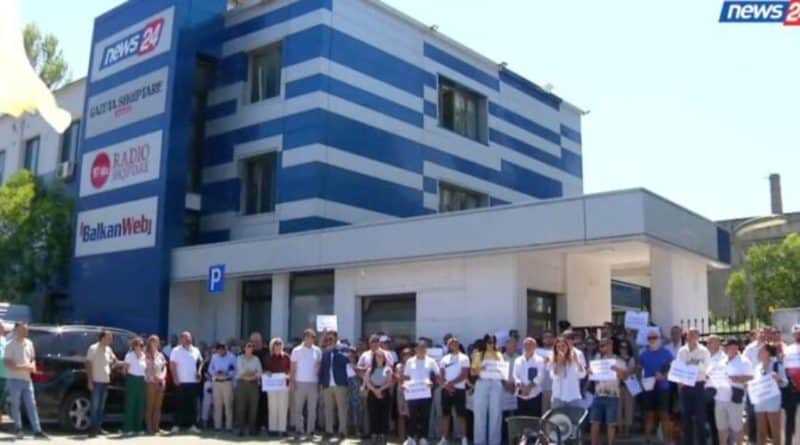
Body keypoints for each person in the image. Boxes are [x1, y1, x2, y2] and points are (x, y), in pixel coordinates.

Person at [5, 322, 46, 439]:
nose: (26, 331)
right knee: (16, 405)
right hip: (14, 379)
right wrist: (25, 367)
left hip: (27, 379)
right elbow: (8, 363)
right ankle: (18, 428)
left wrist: (33, 366)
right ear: (17, 330)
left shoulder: (29, 343)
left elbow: (32, 359)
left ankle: (37, 430)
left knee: (31, 404)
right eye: (23, 329)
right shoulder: (10, 345)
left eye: (26, 329)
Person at [588, 338, 627, 445]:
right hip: (598, 394)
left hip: (612, 395)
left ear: (611, 345)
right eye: (601, 345)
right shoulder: (597, 360)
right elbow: (591, 375)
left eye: (604, 345)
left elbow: (624, 378)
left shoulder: (619, 360)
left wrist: (618, 370)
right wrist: (589, 371)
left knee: (611, 424)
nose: (602, 347)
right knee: (594, 422)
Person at [676, 327, 711, 445]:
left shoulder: (704, 351)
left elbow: (706, 368)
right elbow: (679, 368)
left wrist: (690, 364)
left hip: (699, 386)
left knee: (700, 419)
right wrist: (695, 364)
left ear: (698, 337)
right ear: (687, 336)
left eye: (695, 334)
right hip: (685, 387)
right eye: (690, 334)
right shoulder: (682, 351)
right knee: (686, 419)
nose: (692, 337)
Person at [402, 340, 440, 445]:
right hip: (413, 393)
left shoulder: (431, 361)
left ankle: (423, 438)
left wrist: (433, 383)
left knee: (425, 416)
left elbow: (438, 375)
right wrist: (405, 384)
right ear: (415, 349)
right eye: (420, 348)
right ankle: (411, 438)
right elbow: (406, 376)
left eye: (424, 348)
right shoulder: (410, 361)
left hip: (426, 393)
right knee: (412, 416)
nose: (422, 350)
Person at [638, 329, 673, 445]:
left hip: (663, 387)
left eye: (654, 338)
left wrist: (664, 376)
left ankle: (668, 441)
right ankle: (647, 440)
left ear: (659, 339)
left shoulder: (666, 353)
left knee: (664, 414)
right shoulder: (643, 354)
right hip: (648, 387)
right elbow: (638, 368)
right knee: (649, 415)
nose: (652, 340)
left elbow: (673, 368)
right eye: (650, 338)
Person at [715, 339, 751, 445]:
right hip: (720, 398)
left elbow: (751, 377)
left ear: (736, 348)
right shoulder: (721, 361)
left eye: (729, 347)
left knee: (737, 427)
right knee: (721, 427)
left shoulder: (744, 361)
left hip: (734, 398)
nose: (726, 349)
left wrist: (738, 379)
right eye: (726, 347)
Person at [471, 334, 506, 445]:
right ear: (484, 342)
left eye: (493, 342)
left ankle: (494, 442)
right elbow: (472, 372)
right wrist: (481, 368)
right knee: (479, 413)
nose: (491, 344)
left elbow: (503, 370)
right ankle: (479, 442)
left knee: (496, 413)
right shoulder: (478, 354)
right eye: (489, 342)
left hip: (496, 383)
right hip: (482, 382)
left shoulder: (499, 354)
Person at [86, 329, 119, 437]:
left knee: (101, 407)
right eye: (109, 338)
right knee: (95, 406)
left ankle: (98, 427)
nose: (111, 340)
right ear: (103, 338)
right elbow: (88, 364)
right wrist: (89, 380)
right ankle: (92, 429)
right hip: (96, 381)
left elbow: (115, 360)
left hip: (105, 381)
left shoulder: (109, 349)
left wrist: (116, 365)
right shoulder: (93, 348)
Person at [290, 329, 322, 439]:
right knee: (298, 408)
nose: (311, 339)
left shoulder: (317, 350)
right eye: (309, 337)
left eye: (313, 337)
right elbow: (293, 368)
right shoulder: (296, 350)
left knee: (312, 408)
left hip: (313, 383)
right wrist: (293, 381)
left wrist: (319, 369)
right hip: (299, 382)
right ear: (304, 338)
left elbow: (319, 365)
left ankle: (310, 431)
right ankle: (299, 430)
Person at [752, 344, 786, 445]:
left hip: (773, 402)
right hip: (759, 402)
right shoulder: (757, 367)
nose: (758, 353)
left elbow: (785, 382)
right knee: (761, 431)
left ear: (768, 353)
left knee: (775, 431)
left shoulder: (777, 365)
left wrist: (778, 379)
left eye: (761, 351)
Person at [169, 331, 202, 434]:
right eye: (185, 338)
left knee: (192, 405)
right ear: (181, 339)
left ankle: (192, 425)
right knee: (179, 404)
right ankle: (176, 425)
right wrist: (175, 378)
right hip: (180, 381)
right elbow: (172, 365)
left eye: (189, 338)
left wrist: (199, 371)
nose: (188, 339)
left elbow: (201, 362)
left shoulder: (196, 350)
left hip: (193, 382)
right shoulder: (176, 350)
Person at [439, 337, 470, 445]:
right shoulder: (444, 359)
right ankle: (444, 439)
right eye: (451, 343)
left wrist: (451, 384)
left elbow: (464, 374)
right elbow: (441, 374)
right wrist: (446, 385)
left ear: (458, 344)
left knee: (461, 415)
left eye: (455, 343)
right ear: (448, 346)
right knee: (445, 415)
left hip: (460, 390)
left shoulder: (464, 358)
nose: (453, 345)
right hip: (446, 390)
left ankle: (464, 439)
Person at [320, 330, 350, 441]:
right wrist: (322, 383)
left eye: (331, 339)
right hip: (327, 384)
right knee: (328, 408)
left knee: (341, 408)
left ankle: (342, 431)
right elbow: (323, 368)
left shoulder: (343, 348)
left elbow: (346, 359)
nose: (329, 341)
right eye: (327, 339)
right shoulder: (325, 351)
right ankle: (329, 430)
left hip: (340, 383)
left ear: (336, 338)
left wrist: (335, 350)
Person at [366, 349, 394, 445]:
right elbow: (367, 382)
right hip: (372, 393)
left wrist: (380, 390)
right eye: (378, 356)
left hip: (384, 392)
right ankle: (374, 435)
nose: (380, 358)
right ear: (374, 358)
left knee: (384, 416)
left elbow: (389, 382)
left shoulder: (388, 369)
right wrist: (375, 390)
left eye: (381, 356)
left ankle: (383, 435)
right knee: (373, 415)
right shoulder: (370, 369)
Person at [235, 341, 263, 437]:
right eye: (248, 346)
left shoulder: (256, 359)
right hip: (241, 384)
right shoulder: (239, 358)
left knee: (253, 408)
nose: (250, 348)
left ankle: (252, 429)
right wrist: (251, 373)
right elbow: (240, 371)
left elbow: (259, 372)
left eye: (252, 346)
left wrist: (251, 375)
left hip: (253, 384)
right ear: (244, 348)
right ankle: (241, 429)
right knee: (240, 407)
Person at [743, 328, 767, 443]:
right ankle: (753, 439)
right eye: (760, 333)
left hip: (766, 385)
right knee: (752, 413)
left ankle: (764, 438)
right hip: (752, 385)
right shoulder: (749, 348)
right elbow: (744, 364)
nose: (762, 335)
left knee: (765, 413)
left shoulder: (770, 347)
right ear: (756, 335)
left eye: (764, 333)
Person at [550, 335, 587, 408]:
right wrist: (558, 364)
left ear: (568, 347)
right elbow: (553, 376)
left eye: (563, 346)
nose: (561, 348)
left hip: (573, 396)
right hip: (558, 397)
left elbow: (582, 375)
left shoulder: (575, 358)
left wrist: (577, 362)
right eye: (558, 347)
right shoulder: (553, 361)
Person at [264, 337, 291, 436]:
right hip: (272, 386)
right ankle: (273, 429)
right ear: (272, 347)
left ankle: (282, 429)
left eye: (280, 345)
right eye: (276, 345)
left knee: (283, 407)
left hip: (284, 385)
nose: (278, 347)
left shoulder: (286, 357)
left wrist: (287, 375)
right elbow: (265, 370)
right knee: (272, 407)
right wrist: (267, 372)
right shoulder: (268, 357)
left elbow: (290, 370)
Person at [513, 337, 546, 418]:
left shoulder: (540, 360)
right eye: (526, 344)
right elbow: (515, 375)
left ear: (535, 346)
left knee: (534, 420)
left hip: (535, 395)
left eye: (530, 344)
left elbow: (540, 376)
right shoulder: (517, 360)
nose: (528, 346)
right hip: (520, 395)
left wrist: (529, 387)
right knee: (521, 419)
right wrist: (520, 385)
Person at [121, 337, 147, 435]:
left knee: (140, 404)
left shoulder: (144, 356)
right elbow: (125, 370)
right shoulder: (129, 355)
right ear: (135, 346)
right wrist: (127, 376)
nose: (142, 347)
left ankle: (138, 428)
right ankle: (128, 428)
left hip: (142, 381)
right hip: (132, 379)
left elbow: (146, 370)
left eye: (142, 345)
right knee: (130, 404)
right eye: (140, 345)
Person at [208, 343, 236, 432]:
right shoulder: (214, 357)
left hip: (227, 381)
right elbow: (210, 369)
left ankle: (229, 426)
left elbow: (234, 369)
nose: (220, 351)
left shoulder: (231, 357)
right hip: (217, 382)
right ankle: (217, 426)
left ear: (225, 349)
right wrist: (215, 373)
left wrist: (226, 373)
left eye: (222, 349)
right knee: (217, 405)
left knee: (228, 405)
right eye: (219, 349)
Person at [145, 335, 167, 435]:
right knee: (150, 405)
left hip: (160, 381)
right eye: (153, 341)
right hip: (150, 382)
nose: (155, 343)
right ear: (149, 343)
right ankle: (149, 427)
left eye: (157, 341)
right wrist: (154, 377)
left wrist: (162, 377)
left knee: (158, 406)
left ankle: (156, 427)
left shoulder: (160, 355)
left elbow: (164, 367)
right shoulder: (146, 354)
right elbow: (147, 368)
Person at [705, 335, 725, 445]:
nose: (707, 344)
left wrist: (708, 375)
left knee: (718, 422)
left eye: (710, 342)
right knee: (709, 421)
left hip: (718, 393)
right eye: (707, 342)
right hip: (704, 393)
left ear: (718, 344)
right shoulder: (704, 356)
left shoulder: (724, 358)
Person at [249, 332, 270, 434]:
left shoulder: (268, 352)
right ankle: (254, 427)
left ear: (261, 341)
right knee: (253, 406)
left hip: (266, 384)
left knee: (264, 405)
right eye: (253, 341)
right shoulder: (249, 352)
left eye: (257, 341)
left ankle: (264, 425)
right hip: (252, 383)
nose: (256, 343)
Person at [783, 325, 800, 444]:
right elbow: (785, 368)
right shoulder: (788, 349)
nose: (798, 335)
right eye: (796, 333)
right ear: (793, 335)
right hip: (792, 388)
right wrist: (790, 382)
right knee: (790, 417)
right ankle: (788, 442)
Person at [617, 338, 636, 436]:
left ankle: (627, 429)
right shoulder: (616, 359)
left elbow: (629, 372)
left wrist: (621, 373)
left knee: (629, 407)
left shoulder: (631, 359)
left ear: (628, 348)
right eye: (621, 347)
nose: (623, 349)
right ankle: (620, 429)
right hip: (618, 386)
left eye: (625, 347)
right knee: (618, 407)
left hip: (629, 386)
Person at [396, 347, 413, 441]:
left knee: (411, 414)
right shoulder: (399, 366)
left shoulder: (414, 365)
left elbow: (413, 377)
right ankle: (401, 436)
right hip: (401, 391)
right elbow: (397, 377)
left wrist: (404, 377)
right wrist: (403, 377)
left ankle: (411, 436)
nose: (406, 356)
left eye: (408, 354)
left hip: (412, 391)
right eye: (404, 355)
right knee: (401, 414)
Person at [537, 330, 555, 413]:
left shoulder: (558, 352)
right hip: (540, 388)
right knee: (544, 414)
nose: (548, 339)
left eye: (550, 337)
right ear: (543, 339)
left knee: (555, 414)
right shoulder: (537, 352)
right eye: (546, 337)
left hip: (554, 387)